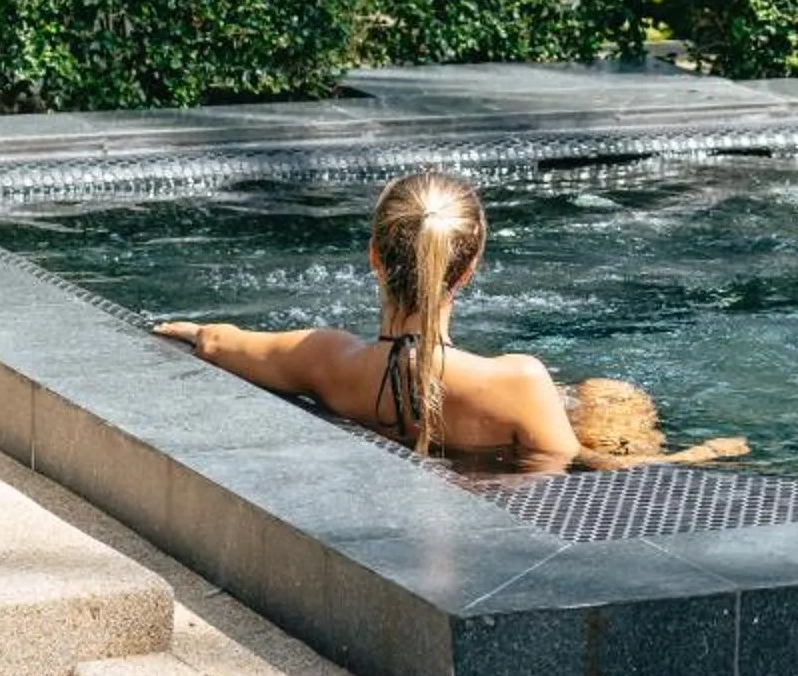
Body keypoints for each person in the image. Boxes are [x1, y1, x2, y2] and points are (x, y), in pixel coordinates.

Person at [153, 168, 747, 475]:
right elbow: (595, 470)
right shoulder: (518, 381)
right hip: (506, 482)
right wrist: (700, 455)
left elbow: (222, 342)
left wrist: (189, 331)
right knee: (612, 396)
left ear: (375, 258)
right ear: (468, 271)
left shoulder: (324, 358)